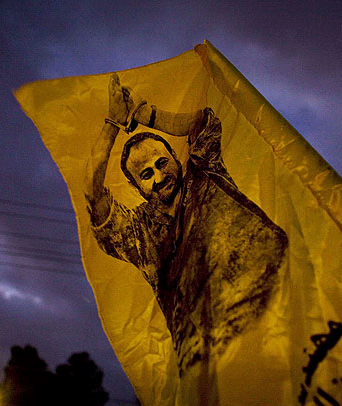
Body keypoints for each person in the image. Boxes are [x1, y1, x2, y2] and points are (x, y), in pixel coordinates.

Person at [84, 74, 288, 372]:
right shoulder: (140, 234)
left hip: (282, 298)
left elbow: (202, 123)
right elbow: (93, 194)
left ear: (176, 158)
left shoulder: (205, 173)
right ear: (135, 186)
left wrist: (144, 115)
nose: (158, 176)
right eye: (146, 174)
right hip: (215, 355)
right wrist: (112, 124)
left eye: (161, 163)